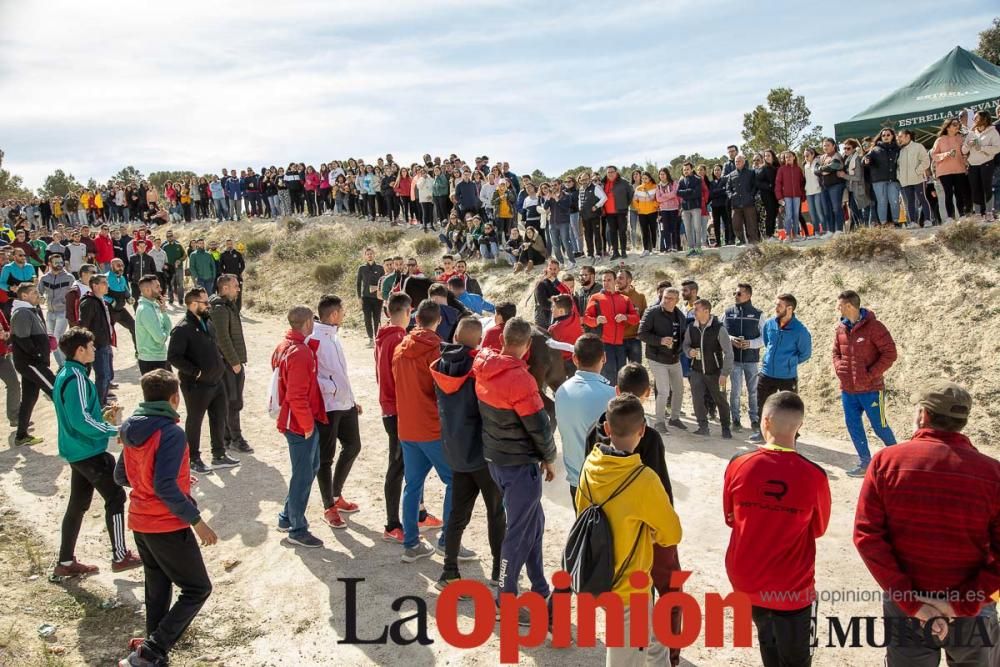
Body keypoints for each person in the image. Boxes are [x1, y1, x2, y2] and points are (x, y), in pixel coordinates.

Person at [854, 381, 1000, 666]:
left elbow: (866, 536)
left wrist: (912, 603)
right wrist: (960, 605)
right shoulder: (993, 475)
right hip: (974, 609)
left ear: (923, 415)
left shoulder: (886, 462)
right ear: (963, 421)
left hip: (906, 607)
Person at [114, 368, 216, 666]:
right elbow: (163, 485)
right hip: (166, 524)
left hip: (140, 521)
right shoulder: (171, 432)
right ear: (175, 398)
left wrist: (174, 479)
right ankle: (151, 650)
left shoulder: (130, 428)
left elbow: (123, 475)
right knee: (198, 588)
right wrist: (197, 521)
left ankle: (150, 653)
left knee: (157, 588)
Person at [725, 391, 830, 667]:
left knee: (767, 643)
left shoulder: (738, 464)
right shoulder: (814, 475)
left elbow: (730, 517)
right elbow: (818, 529)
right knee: (796, 659)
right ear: (799, 427)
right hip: (792, 588)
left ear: (766, 421)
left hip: (747, 581)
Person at [577, 392, 682, 667]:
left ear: (607, 429)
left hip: (597, 572)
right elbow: (672, 534)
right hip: (629, 588)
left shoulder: (590, 465)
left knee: (651, 642)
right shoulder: (644, 479)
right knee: (624, 658)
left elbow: (581, 512)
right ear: (642, 431)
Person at [474, 316, 556, 607]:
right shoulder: (521, 379)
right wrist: (550, 458)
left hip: (496, 459)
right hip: (520, 464)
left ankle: (540, 588)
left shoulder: (484, 365)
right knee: (519, 532)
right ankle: (504, 599)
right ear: (529, 345)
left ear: (502, 340)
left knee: (533, 525)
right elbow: (539, 426)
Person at [52, 327, 139, 579]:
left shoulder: (67, 373)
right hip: (88, 450)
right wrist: (115, 431)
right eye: (91, 347)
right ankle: (120, 555)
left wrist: (102, 416)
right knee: (115, 497)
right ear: (80, 350)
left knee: (77, 505)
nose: (95, 350)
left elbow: (80, 415)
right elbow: (80, 422)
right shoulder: (77, 378)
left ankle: (65, 561)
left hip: (77, 450)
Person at [430, 317, 504, 590]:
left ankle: (449, 572)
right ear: (479, 339)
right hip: (483, 454)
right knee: (497, 514)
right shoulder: (478, 367)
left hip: (456, 450)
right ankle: (499, 573)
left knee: (457, 515)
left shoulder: (441, 364)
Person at [375, 293, 442, 543]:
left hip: (393, 406)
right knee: (399, 467)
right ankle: (393, 523)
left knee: (413, 466)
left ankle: (420, 514)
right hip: (398, 408)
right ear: (408, 311)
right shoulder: (398, 339)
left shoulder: (385, 336)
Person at [392, 299, 456, 562]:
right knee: (455, 481)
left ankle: (411, 543)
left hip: (407, 427)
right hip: (431, 427)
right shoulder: (437, 351)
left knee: (413, 485)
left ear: (416, 319)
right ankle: (446, 541)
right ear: (438, 320)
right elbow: (443, 391)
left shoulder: (399, 349)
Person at [167, 288, 240, 475]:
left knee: (218, 417)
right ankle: (193, 458)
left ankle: (219, 455)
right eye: (205, 302)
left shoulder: (207, 321)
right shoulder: (182, 328)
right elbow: (174, 357)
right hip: (196, 385)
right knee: (195, 421)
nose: (209, 305)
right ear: (193, 305)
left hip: (216, 381)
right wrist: (196, 372)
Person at [272, 305, 328, 548]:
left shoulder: (286, 344)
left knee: (309, 467)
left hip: (294, 419)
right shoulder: (301, 352)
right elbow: (296, 395)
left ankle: (287, 517)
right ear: (307, 324)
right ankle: (297, 528)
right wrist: (306, 425)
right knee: (303, 474)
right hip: (297, 423)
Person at [308, 295, 363, 530]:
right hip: (328, 407)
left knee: (353, 446)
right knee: (325, 458)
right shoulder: (314, 338)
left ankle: (336, 494)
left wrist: (351, 398)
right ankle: (328, 505)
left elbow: (339, 372)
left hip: (344, 403)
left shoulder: (333, 335)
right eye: (342, 311)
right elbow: (311, 375)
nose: (344, 314)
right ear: (333, 314)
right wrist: (332, 389)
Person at [832, 290, 897, 477]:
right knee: (853, 425)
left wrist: (870, 374)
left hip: (872, 390)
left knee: (880, 426)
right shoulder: (840, 328)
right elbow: (835, 353)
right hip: (848, 390)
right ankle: (864, 462)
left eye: (839, 304)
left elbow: (890, 354)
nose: (837, 308)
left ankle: (897, 459)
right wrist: (840, 369)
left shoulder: (875, 327)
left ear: (849, 306)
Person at [554, 333, 615, 504]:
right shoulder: (612, 397)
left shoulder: (561, 392)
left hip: (577, 480)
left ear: (574, 358)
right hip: (605, 481)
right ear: (604, 357)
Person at [749, 293, 812, 444]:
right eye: (776, 304)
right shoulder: (769, 324)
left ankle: (792, 436)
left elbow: (805, 353)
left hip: (787, 376)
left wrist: (789, 362)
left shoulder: (800, 331)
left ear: (789, 309)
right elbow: (766, 340)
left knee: (789, 407)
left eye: (779, 305)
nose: (775, 308)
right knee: (763, 404)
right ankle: (762, 432)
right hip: (767, 373)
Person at [210, 275, 252, 455]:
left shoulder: (227, 306)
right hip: (228, 363)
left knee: (231, 401)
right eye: (235, 286)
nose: (238, 289)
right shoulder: (220, 308)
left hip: (230, 361)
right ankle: (236, 438)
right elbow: (222, 338)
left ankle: (227, 437)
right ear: (225, 288)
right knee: (233, 402)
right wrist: (234, 362)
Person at [638, 284, 687, 431]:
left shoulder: (680, 315)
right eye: (665, 297)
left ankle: (675, 418)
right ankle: (659, 422)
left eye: (670, 299)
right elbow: (641, 334)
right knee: (664, 390)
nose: (666, 301)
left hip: (674, 358)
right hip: (656, 358)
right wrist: (660, 340)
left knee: (679, 389)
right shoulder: (652, 312)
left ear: (677, 300)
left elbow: (683, 336)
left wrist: (681, 349)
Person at [683, 298, 734, 438]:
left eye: (696, 310)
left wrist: (724, 373)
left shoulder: (719, 328)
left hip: (717, 373)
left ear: (706, 311)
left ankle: (725, 428)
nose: (694, 312)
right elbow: (685, 345)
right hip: (696, 371)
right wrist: (689, 352)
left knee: (721, 399)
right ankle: (703, 426)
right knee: (697, 399)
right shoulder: (691, 327)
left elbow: (729, 353)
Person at [582, 269, 639, 386]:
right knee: (608, 376)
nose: (606, 283)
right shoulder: (595, 298)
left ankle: (619, 400)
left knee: (620, 375)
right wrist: (596, 320)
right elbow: (586, 318)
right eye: (603, 280)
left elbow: (636, 318)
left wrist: (625, 317)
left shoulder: (625, 299)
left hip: (620, 344)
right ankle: (608, 401)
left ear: (615, 282)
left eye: (609, 280)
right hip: (604, 344)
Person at [723, 283, 764, 434]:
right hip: (734, 359)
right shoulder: (727, 312)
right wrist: (731, 339)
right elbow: (721, 333)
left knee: (753, 391)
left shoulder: (758, 314)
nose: (735, 295)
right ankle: (736, 420)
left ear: (748, 295)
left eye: (739, 293)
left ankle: (754, 420)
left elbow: (765, 337)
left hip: (751, 360)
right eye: (735, 293)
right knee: (735, 391)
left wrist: (751, 344)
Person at [78, 274, 117, 407]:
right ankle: (99, 405)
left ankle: (103, 401)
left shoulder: (101, 300)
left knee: (107, 376)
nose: (107, 286)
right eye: (104, 283)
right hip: (97, 346)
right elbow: (84, 326)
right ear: (94, 285)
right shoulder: (89, 303)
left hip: (105, 343)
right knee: (103, 376)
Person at [962, 110, 1000, 220]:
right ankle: (978, 214)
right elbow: (963, 151)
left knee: (986, 188)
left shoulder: (993, 132)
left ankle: (989, 213)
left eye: (976, 118)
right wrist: (968, 145)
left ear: (984, 119)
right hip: (973, 164)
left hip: (986, 163)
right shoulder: (971, 133)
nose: (973, 120)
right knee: (975, 189)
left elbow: (997, 148)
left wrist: (982, 148)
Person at [39, 255, 74, 366]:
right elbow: (39, 292)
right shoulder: (44, 278)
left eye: (60, 262)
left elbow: (75, 294)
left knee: (57, 337)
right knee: (52, 341)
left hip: (63, 312)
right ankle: (61, 365)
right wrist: (40, 297)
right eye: (56, 263)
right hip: (50, 312)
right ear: (49, 264)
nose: (59, 265)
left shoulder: (69, 277)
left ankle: (66, 363)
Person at [134, 275, 172, 375]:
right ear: (147, 290)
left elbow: (168, 327)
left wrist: (163, 310)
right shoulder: (146, 310)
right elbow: (160, 338)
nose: (161, 289)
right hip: (152, 362)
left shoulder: (154, 305)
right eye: (157, 287)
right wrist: (165, 333)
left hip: (159, 357)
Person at [896, 130, 933, 228]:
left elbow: (926, 161)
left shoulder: (918, 146)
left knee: (922, 199)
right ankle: (913, 222)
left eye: (900, 136)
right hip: (905, 181)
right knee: (910, 202)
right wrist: (899, 176)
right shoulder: (900, 150)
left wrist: (918, 171)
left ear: (908, 136)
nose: (898, 139)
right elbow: (898, 166)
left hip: (918, 179)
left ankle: (928, 220)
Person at [725, 155, 759, 244]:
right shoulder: (731, 175)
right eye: (736, 161)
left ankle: (753, 241)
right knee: (736, 224)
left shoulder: (751, 173)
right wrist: (731, 196)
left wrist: (751, 196)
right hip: (736, 205)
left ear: (744, 162)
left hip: (749, 204)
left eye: (739, 161)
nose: (737, 163)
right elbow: (728, 189)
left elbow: (755, 186)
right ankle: (741, 240)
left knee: (751, 224)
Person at [547, 293, 582, 377]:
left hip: (562, 364)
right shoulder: (576, 317)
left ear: (561, 311)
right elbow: (569, 298)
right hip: (578, 360)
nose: (551, 309)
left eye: (553, 307)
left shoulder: (553, 329)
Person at [601, 166, 632, 260]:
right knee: (612, 233)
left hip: (621, 211)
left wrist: (625, 204)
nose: (610, 174)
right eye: (608, 172)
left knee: (622, 231)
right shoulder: (603, 183)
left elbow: (630, 193)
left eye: (612, 172)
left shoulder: (623, 182)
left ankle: (623, 251)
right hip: (609, 213)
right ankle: (615, 252)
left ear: (616, 172)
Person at [615, 269, 646, 364]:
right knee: (620, 371)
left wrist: (640, 334)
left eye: (621, 278)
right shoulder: (614, 296)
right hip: (618, 340)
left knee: (636, 370)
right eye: (617, 278)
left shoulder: (640, 297)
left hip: (634, 339)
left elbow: (644, 317)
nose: (617, 281)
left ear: (629, 280)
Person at [356, 247, 384, 348]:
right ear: (365, 256)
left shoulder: (380, 268)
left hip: (377, 298)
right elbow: (358, 283)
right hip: (366, 298)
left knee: (376, 319)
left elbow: (383, 282)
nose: (369, 255)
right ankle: (371, 339)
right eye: (367, 254)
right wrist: (359, 297)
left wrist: (378, 289)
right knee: (367, 319)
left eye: (371, 253)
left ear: (374, 254)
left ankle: (377, 338)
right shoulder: (362, 268)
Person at [775, 152, 806, 241]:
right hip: (786, 197)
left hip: (797, 196)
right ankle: (788, 235)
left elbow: (801, 184)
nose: (788, 158)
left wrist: (802, 195)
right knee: (788, 215)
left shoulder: (798, 169)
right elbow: (778, 184)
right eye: (786, 157)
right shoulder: (781, 169)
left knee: (796, 215)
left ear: (794, 157)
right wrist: (779, 197)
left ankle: (796, 235)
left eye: (790, 157)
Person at [678, 162, 704, 255]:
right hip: (685, 209)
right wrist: (689, 191)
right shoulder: (681, 181)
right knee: (687, 229)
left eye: (687, 169)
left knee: (697, 228)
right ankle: (690, 248)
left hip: (696, 207)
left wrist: (685, 194)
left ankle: (698, 247)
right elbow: (678, 192)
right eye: (684, 170)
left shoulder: (697, 179)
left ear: (692, 169)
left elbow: (697, 193)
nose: (686, 171)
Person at [0, 308, 20, 428]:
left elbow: (8, 329)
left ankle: (15, 417)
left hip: (3, 356)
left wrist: (5, 335)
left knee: (14, 385)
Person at [533, 259, 563, 328]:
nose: (553, 271)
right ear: (546, 269)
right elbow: (543, 303)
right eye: (550, 269)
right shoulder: (541, 284)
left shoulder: (559, 285)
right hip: (543, 323)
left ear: (559, 270)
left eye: (555, 269)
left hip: (555, 321)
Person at [218, 240, 245, 310]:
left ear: (232, 244)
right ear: (226, 245)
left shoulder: (237, 254)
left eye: (231, 244)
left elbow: (242, 265)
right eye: (228, 244)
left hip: (237, 277)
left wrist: (239, 273)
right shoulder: (223, 254)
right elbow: (220, 266)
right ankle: (229, 308)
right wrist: (225, 274)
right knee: (229, 294)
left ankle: (238, 309)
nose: (229, 245)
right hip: (228, 278)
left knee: (238, 293)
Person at [162, 230, 186, 306]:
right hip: (169, 269)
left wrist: (180, 260)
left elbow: (185, 255)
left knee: (180, 284)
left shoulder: (178, 245)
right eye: (168, 236)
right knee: (170, 284)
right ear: (166, 238)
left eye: (170, 236)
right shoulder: (165, 247)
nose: (169, 237)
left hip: (179, 268)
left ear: (173, 236)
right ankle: (171, 299)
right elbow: (162, 257)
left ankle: (181, 299)